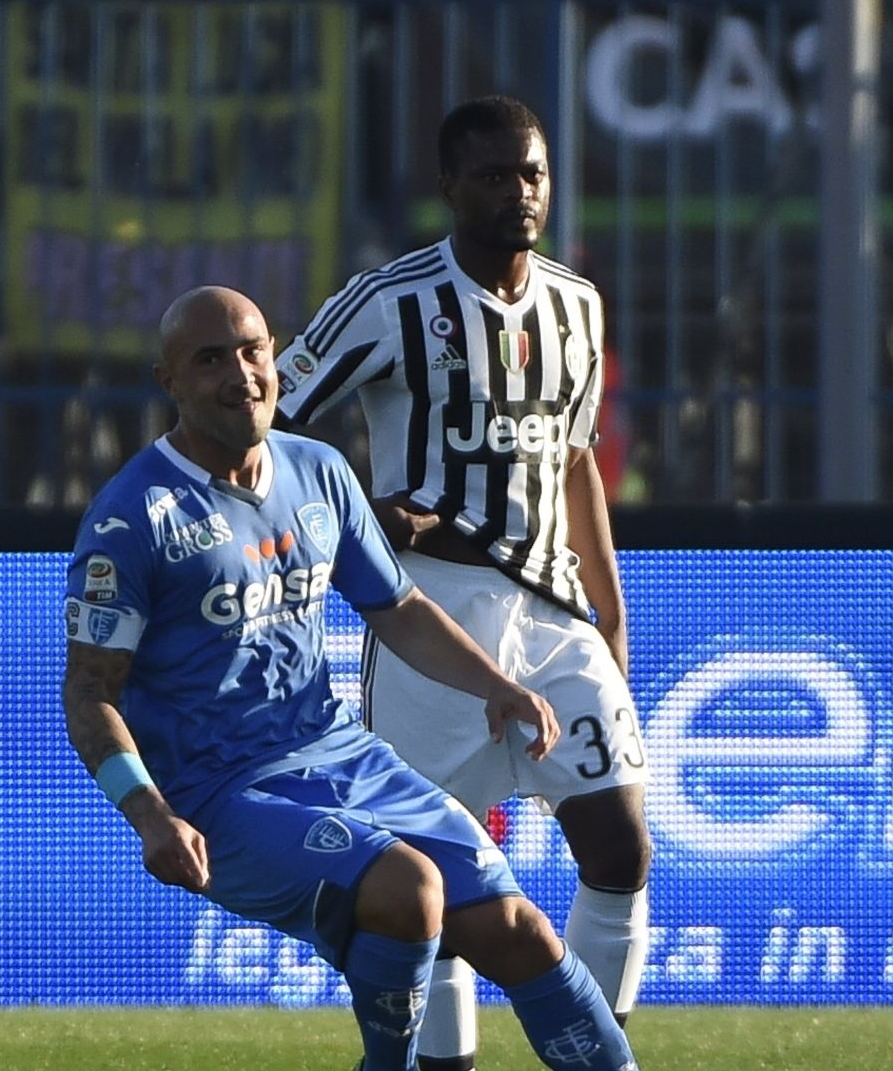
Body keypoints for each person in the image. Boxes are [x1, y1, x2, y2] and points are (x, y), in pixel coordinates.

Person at [61, 285, 638, 1071]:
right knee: (409, 891)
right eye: (210, 360)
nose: (242, 374)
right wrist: (151, 815)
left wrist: (493, 684)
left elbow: (397, 607)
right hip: (221, 793)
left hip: (341, 756)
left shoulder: (320, 472)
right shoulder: (133, 516)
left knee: (521, 932)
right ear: (170, 382)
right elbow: (90, 695)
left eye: (254, 350)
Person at [274, 94, 651, 1071]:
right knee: (435, 881)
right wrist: (358, 506)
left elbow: (574, 466)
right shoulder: (393, 301)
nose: (518, 193)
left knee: (621, 849)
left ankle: (588, 1054)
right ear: (449, 187)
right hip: (434, 617)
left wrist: (612, 618)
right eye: (493, 175)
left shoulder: (579, 304)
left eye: (531, 173)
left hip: (558, 611)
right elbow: (269, 413)